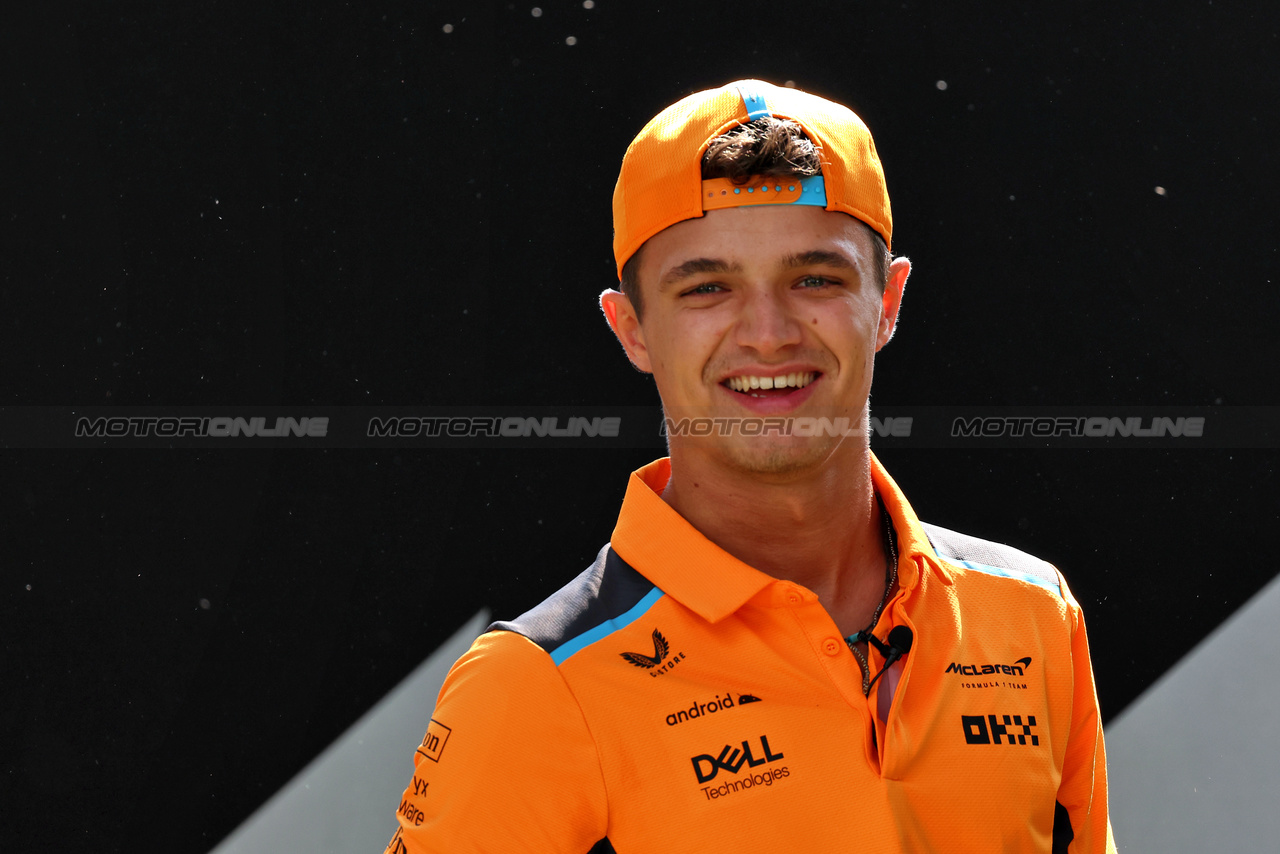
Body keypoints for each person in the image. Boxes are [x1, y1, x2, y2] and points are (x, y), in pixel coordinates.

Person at [384, 79, 1116, 853]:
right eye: (707, 288)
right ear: (631, 329)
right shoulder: (534, 685)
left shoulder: (1032, 613)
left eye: (815, 279)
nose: (768, 334)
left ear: (889, 302)